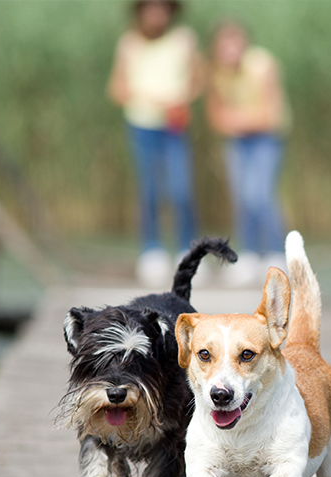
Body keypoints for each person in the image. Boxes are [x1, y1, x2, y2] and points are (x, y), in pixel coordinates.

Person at [108, 0, 204, 287]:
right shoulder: (129, 43)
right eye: (151, 7)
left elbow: (199, 77)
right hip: (142, 124)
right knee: (148, 188)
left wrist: (182, 99)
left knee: (181, 188)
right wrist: (155, 100)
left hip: (174, 125)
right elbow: (117, 88)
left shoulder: (183, 39)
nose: (157, 13)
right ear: (140, 11)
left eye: (163, 7)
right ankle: (151, 249)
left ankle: (190, 251)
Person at [207, 20, 290, 287]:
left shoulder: (263, 65)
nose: (229, 50)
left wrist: (238, 120)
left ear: (244, 43)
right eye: (224, 44)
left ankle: (277, 254)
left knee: (261, 195)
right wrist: (238, 120)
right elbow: (216, 115)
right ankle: (249, 255)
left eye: (234, 42)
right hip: (238, 141)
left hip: (266, 138)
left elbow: (271, 114)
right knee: (242, 197)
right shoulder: (217, 72)